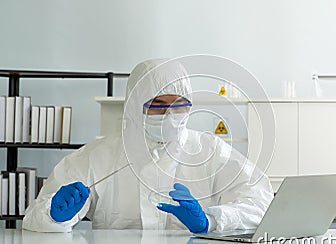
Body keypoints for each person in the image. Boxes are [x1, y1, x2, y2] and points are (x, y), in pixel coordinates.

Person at [22, 58, 274, 233]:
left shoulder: (210, 151)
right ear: (134, 106)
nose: (170, 116)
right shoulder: (98, 157)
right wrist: (54, 217)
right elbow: (34, 218)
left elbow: (260, 203)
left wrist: (210, 220)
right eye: (157, 105)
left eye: (179, 105)